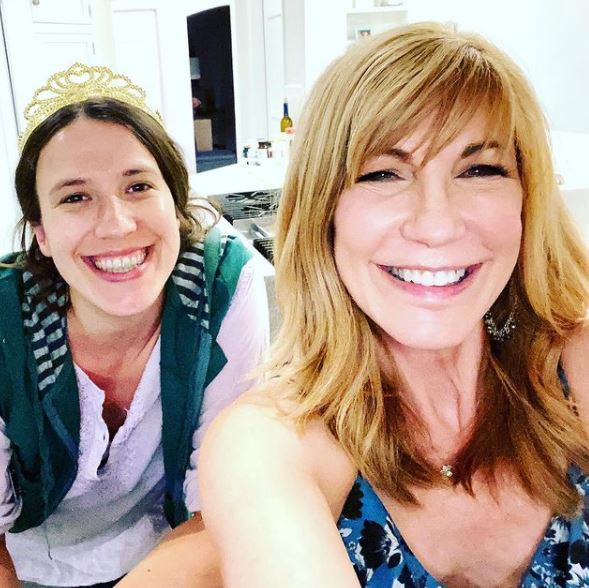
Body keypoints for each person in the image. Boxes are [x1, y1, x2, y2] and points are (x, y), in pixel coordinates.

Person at [200, 22, 589, 587]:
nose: (437, 224)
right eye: (383, 173)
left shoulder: (575, 366)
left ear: (527, 201)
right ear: (324, 212)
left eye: (479, 170)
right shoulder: (270, 445)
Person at [0, 63, 268, 587]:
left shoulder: (222, 285)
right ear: (42, 234)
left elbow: (225, 501)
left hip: (172, 551)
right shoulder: (7, 319)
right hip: (29, 564)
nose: (117, 225)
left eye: (138, 186)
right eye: (75, 197)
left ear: (175, 202)